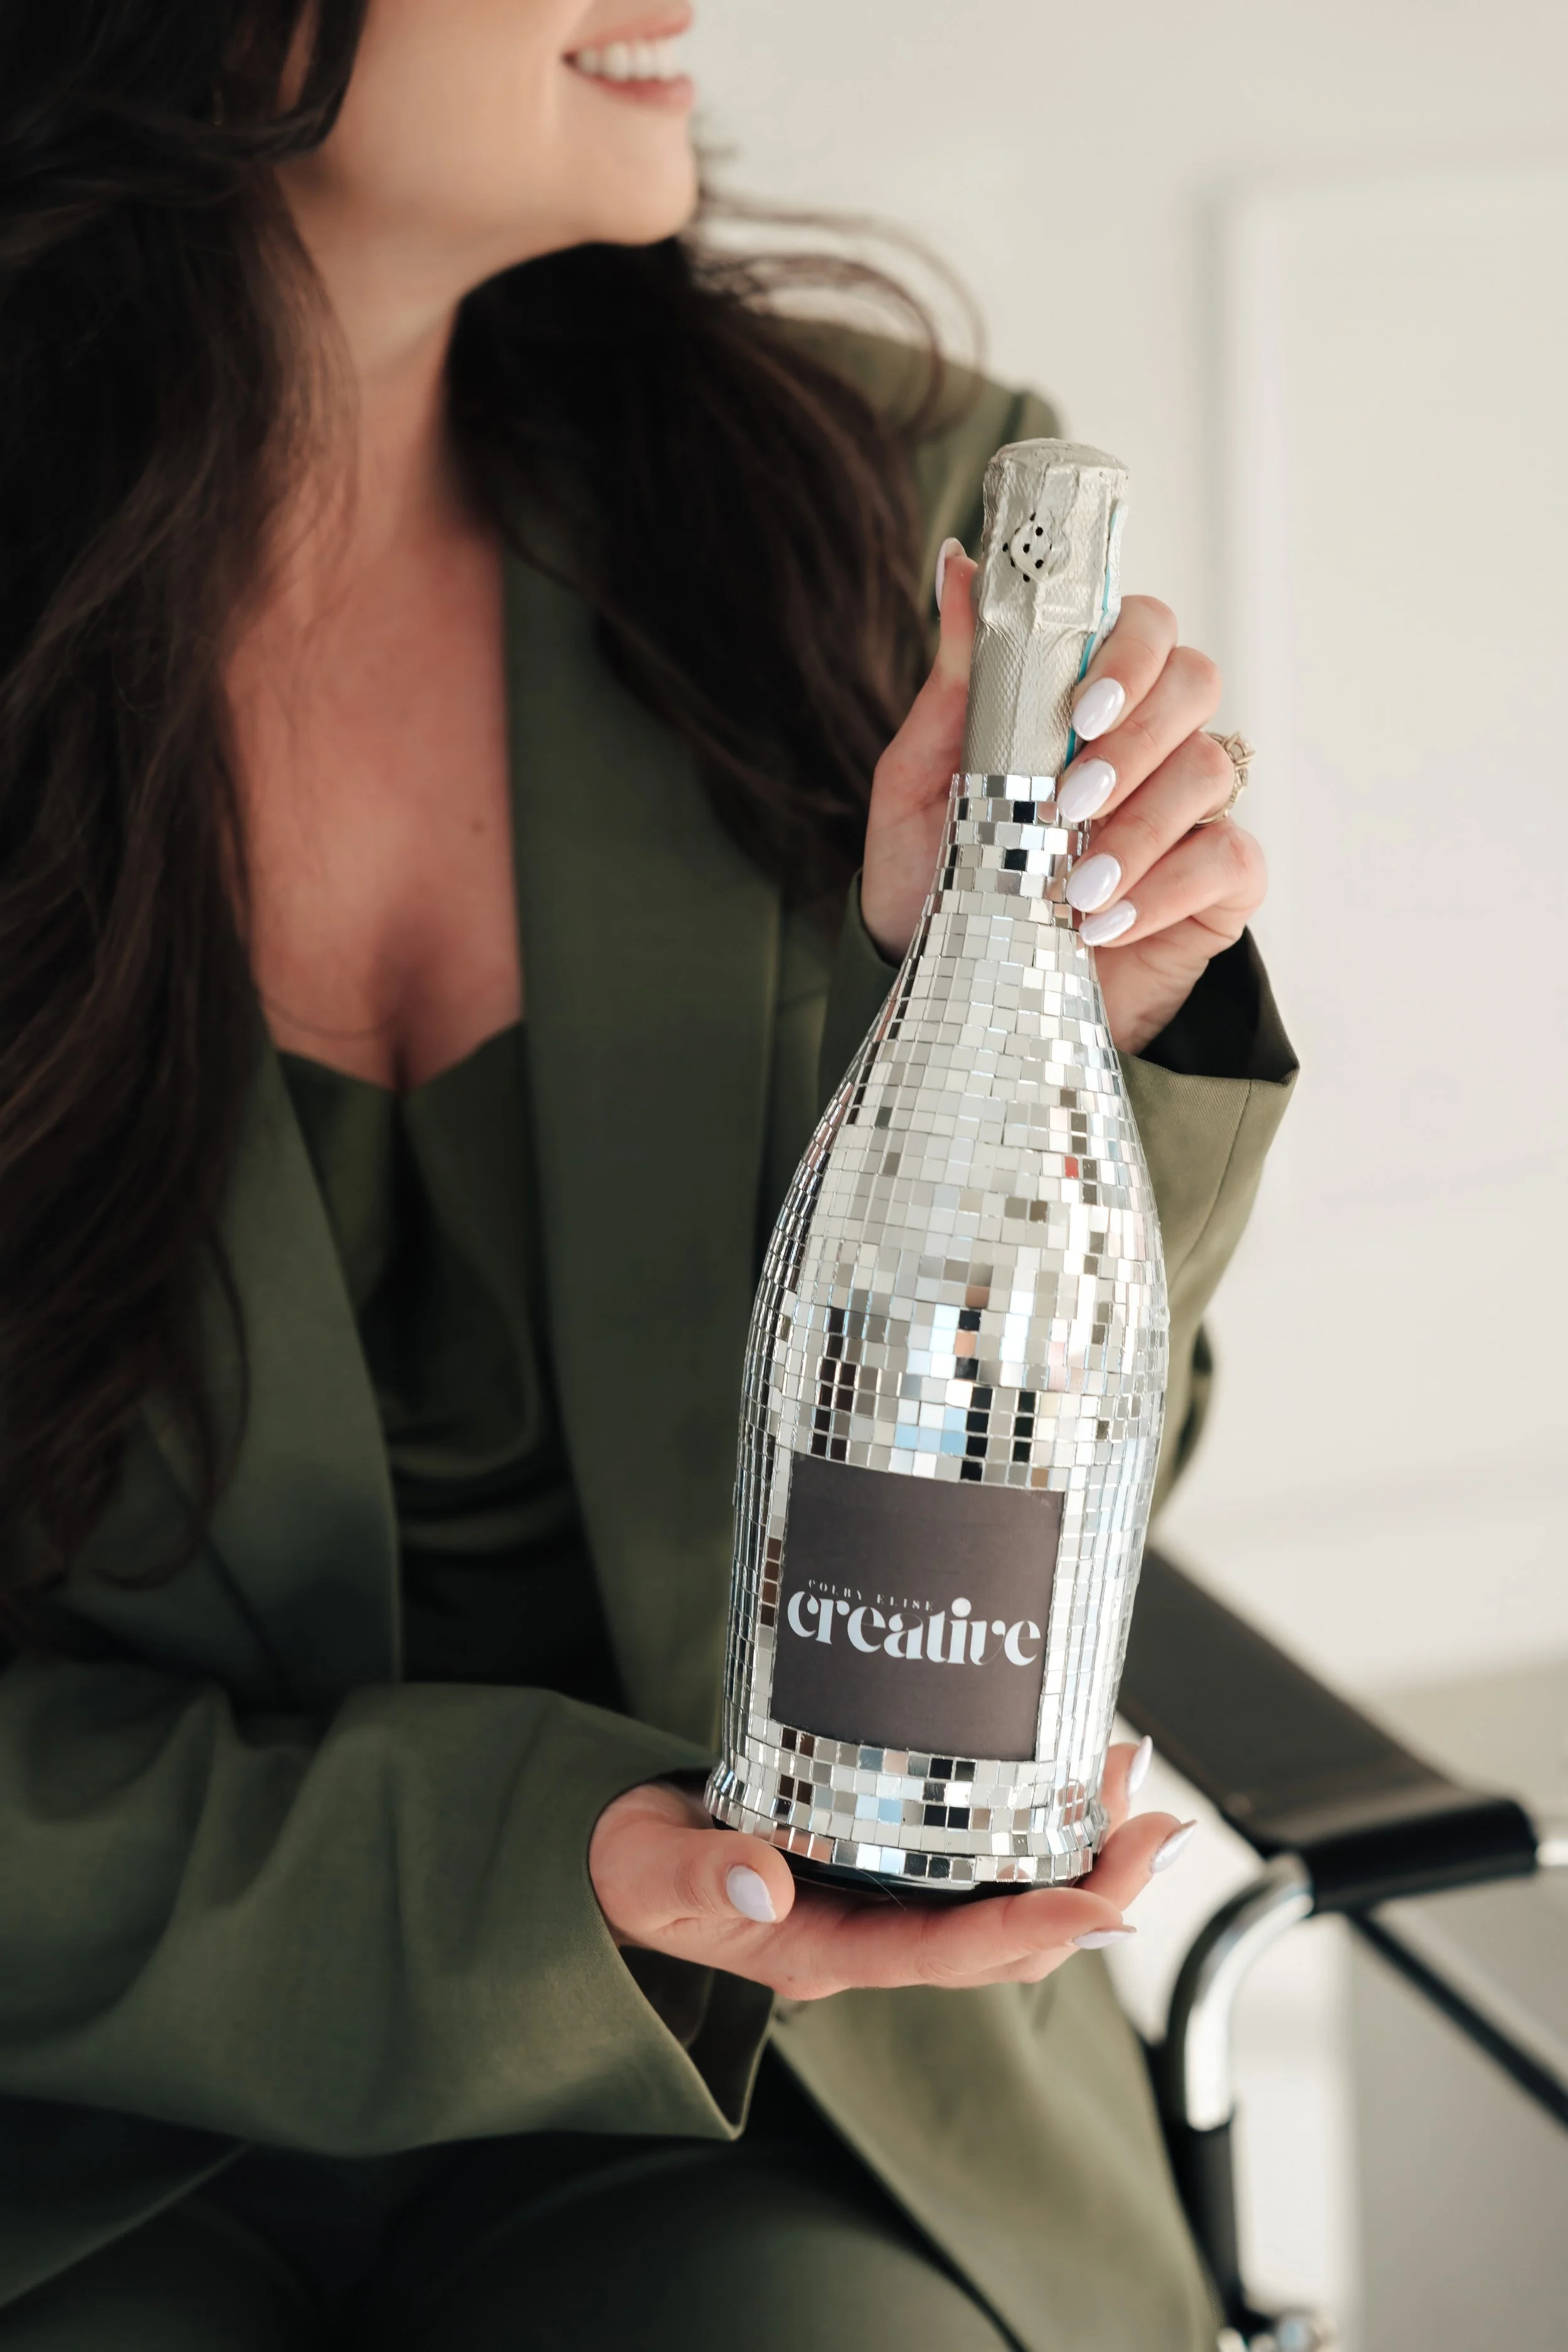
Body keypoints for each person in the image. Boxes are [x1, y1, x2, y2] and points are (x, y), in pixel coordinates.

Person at [0, 4, 1295, 2346]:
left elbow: (1066, 1531)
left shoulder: (882, 537)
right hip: (79, 2074)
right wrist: (540, 1883)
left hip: (796, 2085)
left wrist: (1067, 1056)